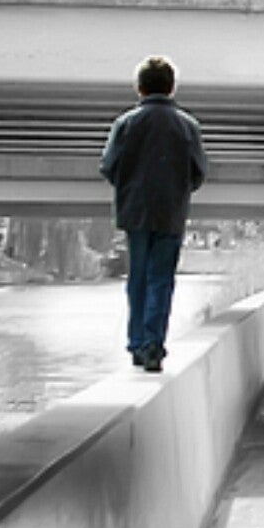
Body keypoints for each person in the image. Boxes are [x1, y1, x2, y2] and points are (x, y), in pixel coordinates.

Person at [100, 55, 209, 373]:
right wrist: (178, 189)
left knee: (138, 277)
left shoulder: (125, 123)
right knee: (161, 279)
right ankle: (153, 344)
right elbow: (199, 172)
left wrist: (130, 186)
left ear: (140, 88)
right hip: (171, 211)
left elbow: (108, 165)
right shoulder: (188, 126)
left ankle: (136, 343)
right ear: (172, 87)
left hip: (135, 210)